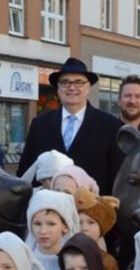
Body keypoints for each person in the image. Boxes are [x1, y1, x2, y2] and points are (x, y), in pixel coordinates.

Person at [18, 58, 124, 194]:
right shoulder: (40, 124)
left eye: (79, 82)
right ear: (58, 88)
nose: (72, 87)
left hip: (89, 208)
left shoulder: (110, 126)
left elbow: (117, 176)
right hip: (49, 208)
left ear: (88, 87)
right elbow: (25, 169)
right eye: (65, 82)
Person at [25, 189, 81, 270]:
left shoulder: (69, 262)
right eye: (37, 224)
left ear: (65, 226)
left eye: (51, 224)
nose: (43, 231)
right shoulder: (25, 259)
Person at [73, 188, 122, 270]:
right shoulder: (64, 254)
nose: (84, 228)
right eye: (79, 222)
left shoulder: (107, 262)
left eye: (91, 222)